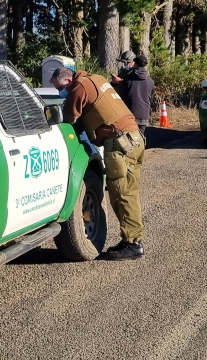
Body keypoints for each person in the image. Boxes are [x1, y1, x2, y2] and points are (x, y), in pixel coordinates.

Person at [51, 67, 146, 260]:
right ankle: (131, 239)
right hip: (134, 138)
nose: (61, 92)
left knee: (121, 195)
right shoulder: (96, 79)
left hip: (119, 143)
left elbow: (69, 119)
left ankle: (133, 244)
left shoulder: (78, 87)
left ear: (68, 80)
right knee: (129, 193)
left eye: (60, 88)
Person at [113, 54, 155, 138]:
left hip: (130, 114)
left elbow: (120, 97)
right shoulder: (151, 81)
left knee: (129, 140)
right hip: (144, 114)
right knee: (140, 139)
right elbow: (151, 99)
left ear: (135, 64)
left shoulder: (128, 79)